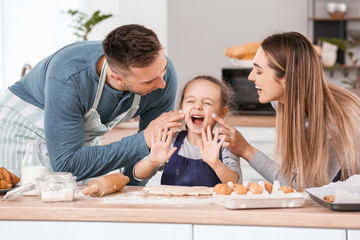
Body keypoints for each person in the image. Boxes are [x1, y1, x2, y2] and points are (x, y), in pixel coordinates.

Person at [0, 24, 184, 185]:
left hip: (77, 140)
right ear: (117, 78)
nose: (162, 84)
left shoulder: (161, 75)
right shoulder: (68, 78)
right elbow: (67, 165)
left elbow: (149, 152)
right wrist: (143, 139)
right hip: (26, 127)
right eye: (149, 81)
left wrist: (129, 189)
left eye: (164, 68)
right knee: (27, 201)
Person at [213, 32, 360, 190]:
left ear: (286, 78)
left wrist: (246, 150)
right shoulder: (281, 102)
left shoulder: (338, 120)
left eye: (259, 71)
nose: (250, 77)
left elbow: (303, 186)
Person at [133, 75, 242, 187]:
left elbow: (236, 183)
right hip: (172, 204)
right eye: (190, 101)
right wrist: (152, 161)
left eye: (207, 103)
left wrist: (216, 164)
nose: (198, 106)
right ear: (182, 107)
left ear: (222, 112)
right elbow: (139, 175)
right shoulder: (170, 141)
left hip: (212, 204)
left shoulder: (225, 145)